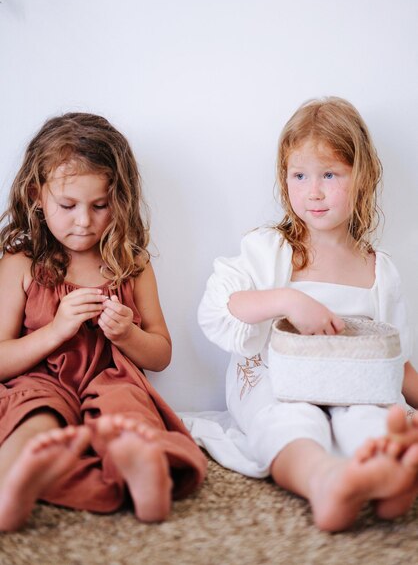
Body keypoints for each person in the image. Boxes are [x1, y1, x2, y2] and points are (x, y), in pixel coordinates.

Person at [196, 97, 418, 531]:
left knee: (371, 416)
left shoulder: (379, 270)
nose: (313, 191)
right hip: (278, 386)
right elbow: (221, 308)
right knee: (291, 420)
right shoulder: (270, 249)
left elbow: (398, 360)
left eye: (330, 175)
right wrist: (288, 300)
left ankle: (388, 479)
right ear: (285, 178)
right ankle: (325, 480)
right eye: (300, 176)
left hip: (355, 390)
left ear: (362, 178)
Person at [0, 112, 207, 532]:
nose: (84, 221)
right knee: (33, 417)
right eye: (68, 205)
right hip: (40, 380)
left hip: (112, 378)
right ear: (37, 195)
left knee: (127, 415)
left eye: (100, 205)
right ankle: (11, 483)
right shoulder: (21, 263)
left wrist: (128, 334)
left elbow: (161, 354)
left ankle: (142, 472)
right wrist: (55, 331)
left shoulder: (131, 265)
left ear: (121, 199)